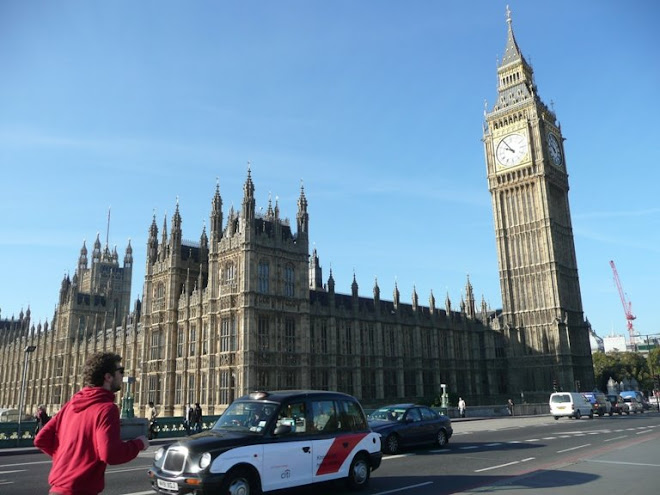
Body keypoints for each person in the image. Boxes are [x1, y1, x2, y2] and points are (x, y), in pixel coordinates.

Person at [34, 352, 148, 495]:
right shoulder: (106, 408)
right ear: (108, 377)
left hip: (57, 489)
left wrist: (68, 460)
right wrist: (139, 444)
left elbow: (41, 439)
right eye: (121, 371)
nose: (122, 375)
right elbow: (110, 454)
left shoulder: (70, 404)